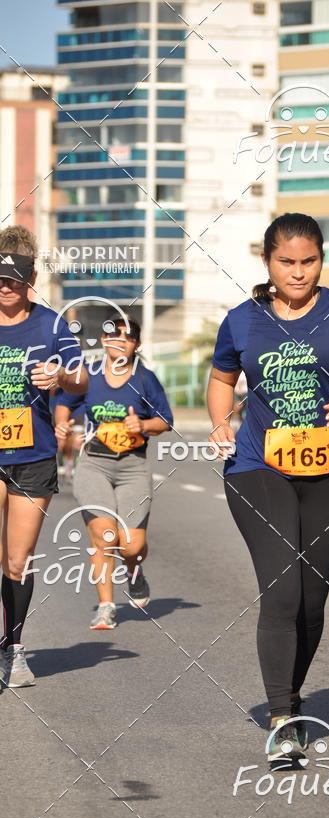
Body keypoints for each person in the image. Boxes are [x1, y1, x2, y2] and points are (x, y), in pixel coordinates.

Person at [208, 212, 329, 762]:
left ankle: (292, 694)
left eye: (309, 261)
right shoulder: (242, 320)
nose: (297, 272)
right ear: (267, 261)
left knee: (312, 602)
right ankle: (281, 718)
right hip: (257, 467)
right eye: (286, 262)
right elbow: (222, 377)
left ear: (322, 259)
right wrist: (221, 422)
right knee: (284, 591)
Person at [0, 225, 86, 688]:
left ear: (30, 279)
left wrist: (60, 377)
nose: (5, 288)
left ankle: (13, 650)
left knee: (17, 561)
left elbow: (82, 379)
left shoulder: (52, 325)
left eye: (14, 280)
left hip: (32, 456)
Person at [54, 317, 173, 630]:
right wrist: (62, 423)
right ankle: (106, 607)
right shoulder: (89, 374)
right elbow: (65, 401)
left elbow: (164, 420)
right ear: (104, 340)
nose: (120, 339)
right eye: (113, 333)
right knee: (104, 535)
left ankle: (134, 570)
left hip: (133, 465)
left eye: (128, 335)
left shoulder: (145, 379)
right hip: (94, 463)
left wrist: (143, 424)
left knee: (131, 545)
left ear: (137, 344)